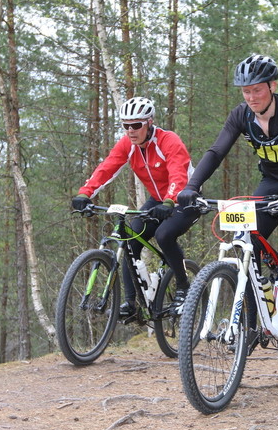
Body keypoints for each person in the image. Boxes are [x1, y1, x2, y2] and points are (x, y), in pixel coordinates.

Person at [177, 54, 278, 326]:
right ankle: (258, 305)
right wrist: (192, 186)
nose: (251, 96)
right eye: (246, 91)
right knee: (245, 235)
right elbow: (216, 152)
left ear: (273, 85)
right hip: (271, 181)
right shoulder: (241, 115)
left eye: (257, 89)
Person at [71, 97, 198, 318]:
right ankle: (131, 304)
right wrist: (85, 193)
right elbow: (107, 168)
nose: (131, 130)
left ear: (149, 122)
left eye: (136, 125)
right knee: (129, 239)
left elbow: (178, 173)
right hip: (157, 200)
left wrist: (170, 201)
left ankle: (183, 285)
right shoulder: (127, 145)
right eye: (126, 125)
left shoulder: (168, 140)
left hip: (185, 198)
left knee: (164, 234)